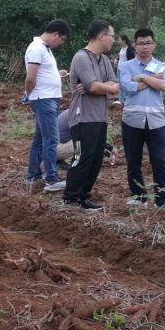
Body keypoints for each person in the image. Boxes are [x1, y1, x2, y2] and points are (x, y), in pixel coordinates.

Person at [63, 20, 119, 211]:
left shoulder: (103, 60)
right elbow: (94, 86)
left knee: (95, 159)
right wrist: (100, 87)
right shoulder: (81, 57)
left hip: (100, 117)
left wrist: (98, 87)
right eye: (112, 36)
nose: (113, 40)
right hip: (82, 117)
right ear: (101, 36)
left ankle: (84, 196)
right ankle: (71, 198)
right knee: (82, 157)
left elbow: (114, 86)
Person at [119, 28, 165, 211]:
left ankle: (162, 200)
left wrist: (142, 77)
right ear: (134, 46)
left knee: (159, 160)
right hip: (131, 120)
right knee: (133, 160)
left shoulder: (161, 66)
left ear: (154, 45)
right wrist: (151, 80)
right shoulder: (125, 66)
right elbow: (128, 87)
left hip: (156, 120)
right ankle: (138, 196)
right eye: (141, 43)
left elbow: (163, 85)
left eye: (148, 43)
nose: (145, 47)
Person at [24, 19, 70, 192]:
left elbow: (42, 73)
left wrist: (57, 75)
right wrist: (29, 95)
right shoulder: (36, 49)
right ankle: (51, 178)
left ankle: (33, 174)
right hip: (44, 100)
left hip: (47, 99)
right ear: (55, 34)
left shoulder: (44, 49)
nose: (61, 43)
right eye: (62, 39)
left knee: (40, 139)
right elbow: (30, 78)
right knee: (51, 140)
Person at [114, 34, 135, 104]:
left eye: (120, 40)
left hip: (125, 70)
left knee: (124, 85)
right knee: (119, 84)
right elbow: (120, 57)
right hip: (119, 68)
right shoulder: (122, 48)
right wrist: (117, 59)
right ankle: (121, 99)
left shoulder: (129, 49)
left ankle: (126, 99)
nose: (118, 41)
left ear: (124, 41)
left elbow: (131, 60)